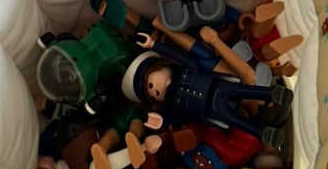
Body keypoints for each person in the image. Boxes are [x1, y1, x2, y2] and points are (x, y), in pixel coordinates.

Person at [122, 34, 292, 148]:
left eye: (149, 83)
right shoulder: (177, 93)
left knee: (240, 102)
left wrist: (155, 45)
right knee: (238, 109)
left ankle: (268, 104)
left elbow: (180, 57)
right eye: (150, 90)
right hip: (214, 97)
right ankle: (266, 108)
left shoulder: (184, 79)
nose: (154, 88)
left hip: (214, 99)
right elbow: (180, 118)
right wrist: (154, 44)